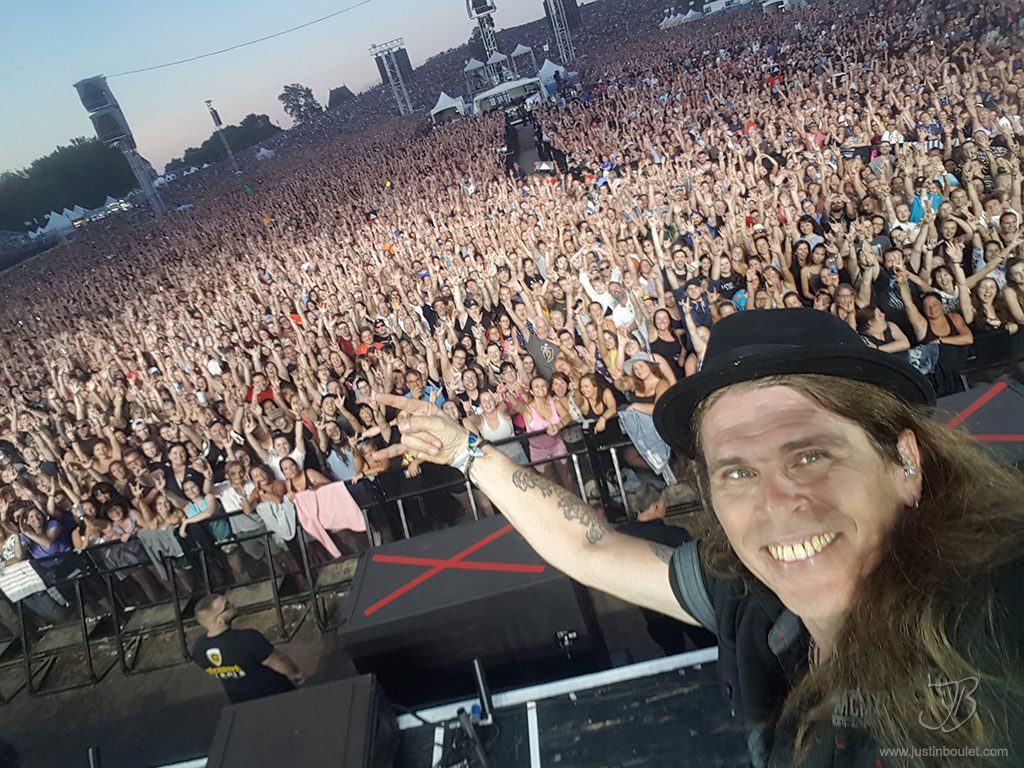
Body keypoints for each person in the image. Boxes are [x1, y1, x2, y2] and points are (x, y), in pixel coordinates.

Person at [373, 309, 1023, 767]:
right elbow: (592, 549)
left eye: (810, 455)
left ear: (904, 462)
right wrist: (467, 452)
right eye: (738, 471)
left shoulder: (997, 614)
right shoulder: (747, 599)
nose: (775, 503)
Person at [191, 593, 304, 704]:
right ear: (219, 620)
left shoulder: (198, 649)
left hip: (241, 701)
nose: (232, 605)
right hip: (274, 692)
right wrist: (294, 673)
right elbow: (278, 661)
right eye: (227, 606)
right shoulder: (247, 638)